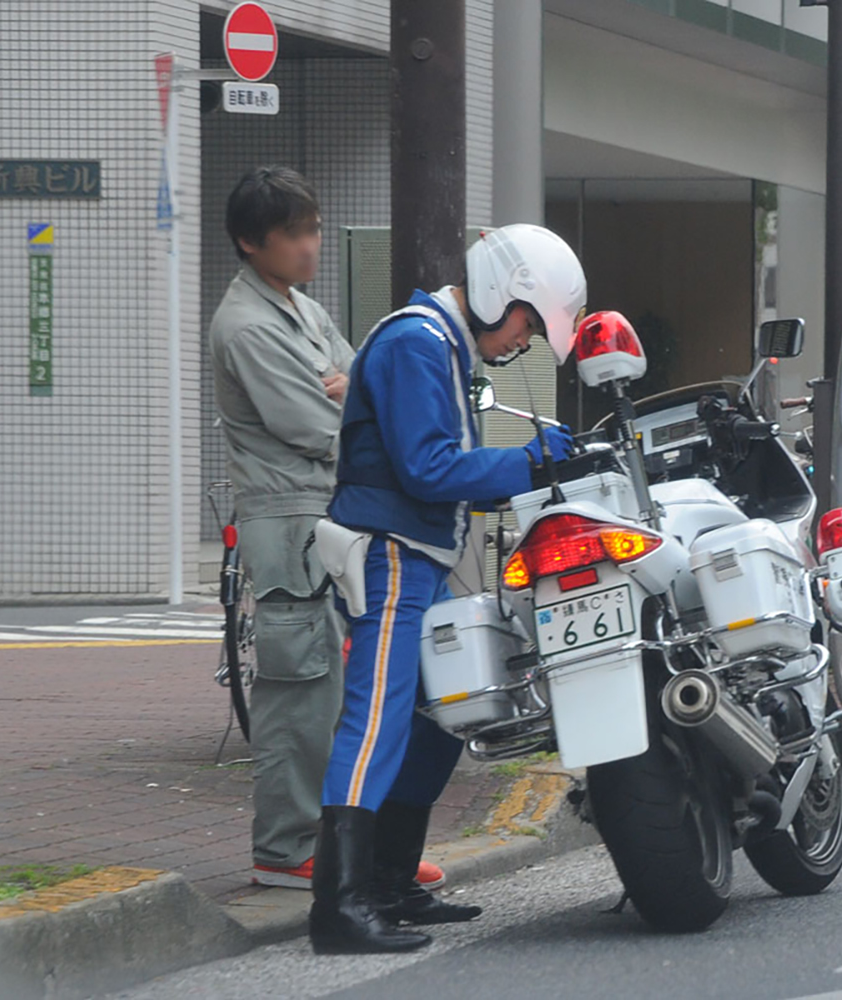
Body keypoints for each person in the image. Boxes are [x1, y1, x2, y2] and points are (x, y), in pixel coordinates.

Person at [309, 224, 587, 955]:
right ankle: (339, 906)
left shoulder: (439, 344)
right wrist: (529, 467)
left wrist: (528, 467)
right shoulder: (416, 343)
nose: (525, 340)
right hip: (390, 555)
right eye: (529, 322)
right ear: (502, 295)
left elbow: (438, 471)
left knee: (437, 718)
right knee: (378, 721)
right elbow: (428, 469)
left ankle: (392, 883)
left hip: (416, 555)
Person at [210, 166, 356, 890]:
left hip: (319, 518)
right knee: (299, 695)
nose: (309, 247)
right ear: (249, 243)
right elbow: (316, 424)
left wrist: (350, 383)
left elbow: (358, 378)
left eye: (313, 229)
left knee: (331, 692)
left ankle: (325, 845)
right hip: (290, 519)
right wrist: (348, 389)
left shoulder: (295, 305)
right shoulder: (246, 326)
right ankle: (286, 848)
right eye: (292, 235)